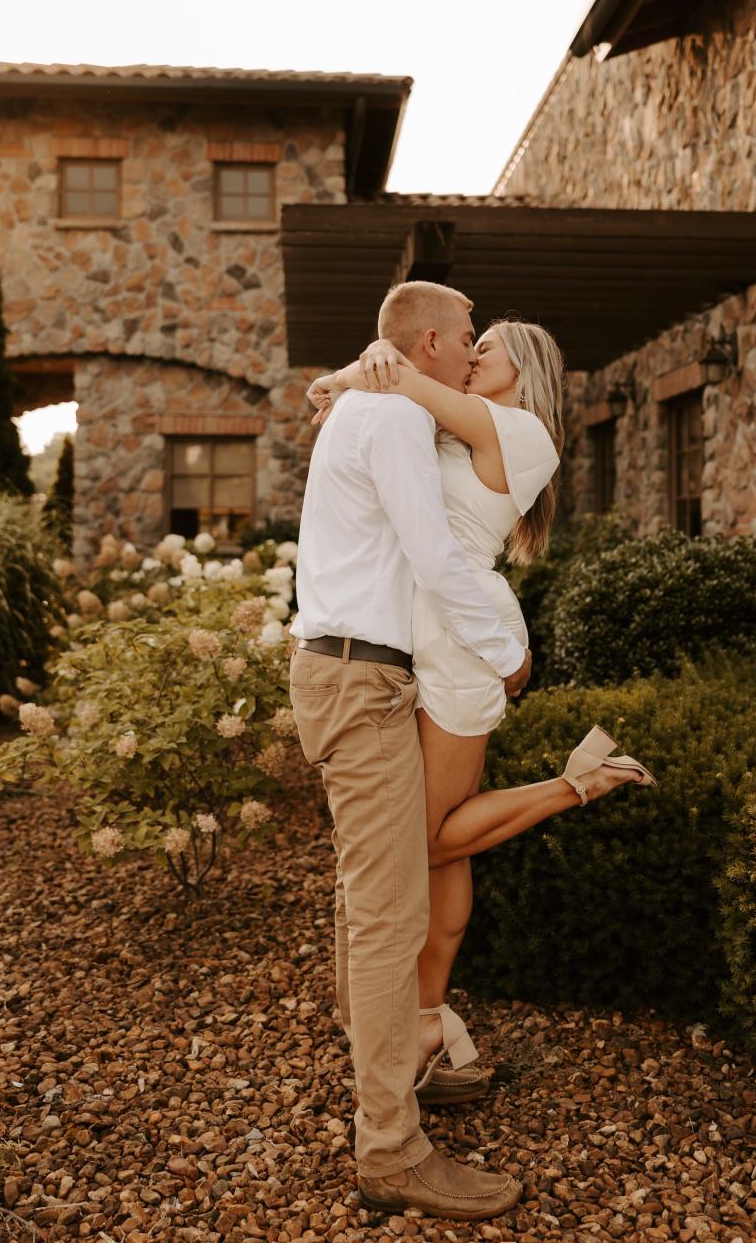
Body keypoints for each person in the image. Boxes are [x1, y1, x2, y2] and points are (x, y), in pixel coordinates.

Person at [304, 286, 656, 1121]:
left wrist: (368, 366)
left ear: (520, 368)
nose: (473, 352)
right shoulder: (461, 422)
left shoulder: (522, 429)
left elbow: (407, 380)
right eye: (470, 339)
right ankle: (425, 1018)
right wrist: (358, 375)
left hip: (462, 646)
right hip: (437, 635)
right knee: (437, 845)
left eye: (487, 345)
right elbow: (386, 397)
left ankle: (580, 782)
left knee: (424, 836)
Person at [289, 281, 531, 1221]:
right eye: (466, 337)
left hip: (347, 672)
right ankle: (390, 1148)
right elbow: (434, 556)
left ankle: (377, 1073)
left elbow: (340, 388)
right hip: (363, 682)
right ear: (429, 341)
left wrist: (349, 371)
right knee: (391, 917)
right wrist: (507, 652)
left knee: (368, 902)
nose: (473, 352)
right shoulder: (387, 419)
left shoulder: (370, 403)